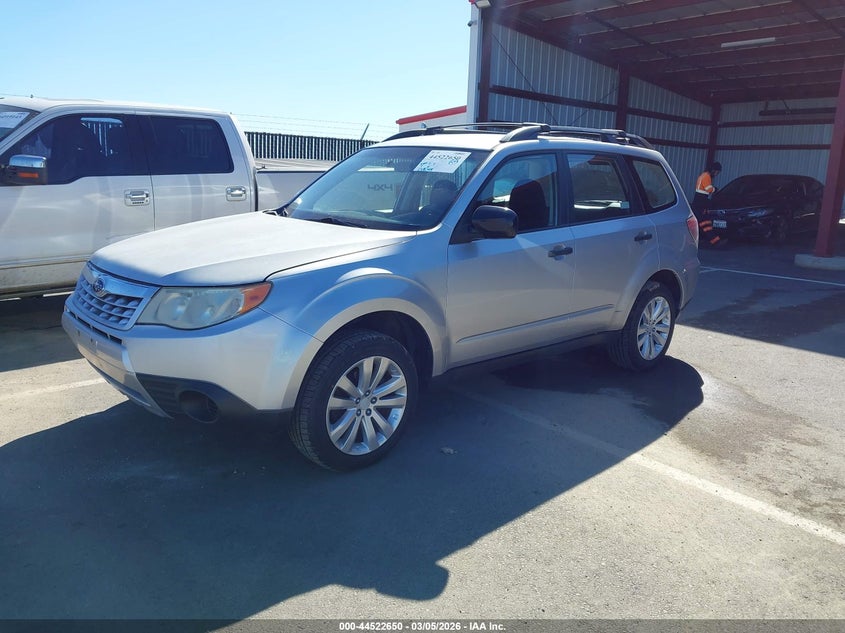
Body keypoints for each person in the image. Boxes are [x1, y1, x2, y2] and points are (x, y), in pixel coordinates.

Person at [692, 161, 723, 247]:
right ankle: (716, 242)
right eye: (717, 172)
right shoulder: (707, 176)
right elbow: (708, 189)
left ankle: (701, 240)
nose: (717, 174)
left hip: (699, 202)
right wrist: (715, 189)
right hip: (701, 202)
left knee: (700, 223)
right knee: (706, 223)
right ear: (713, 170)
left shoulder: (703, 175)